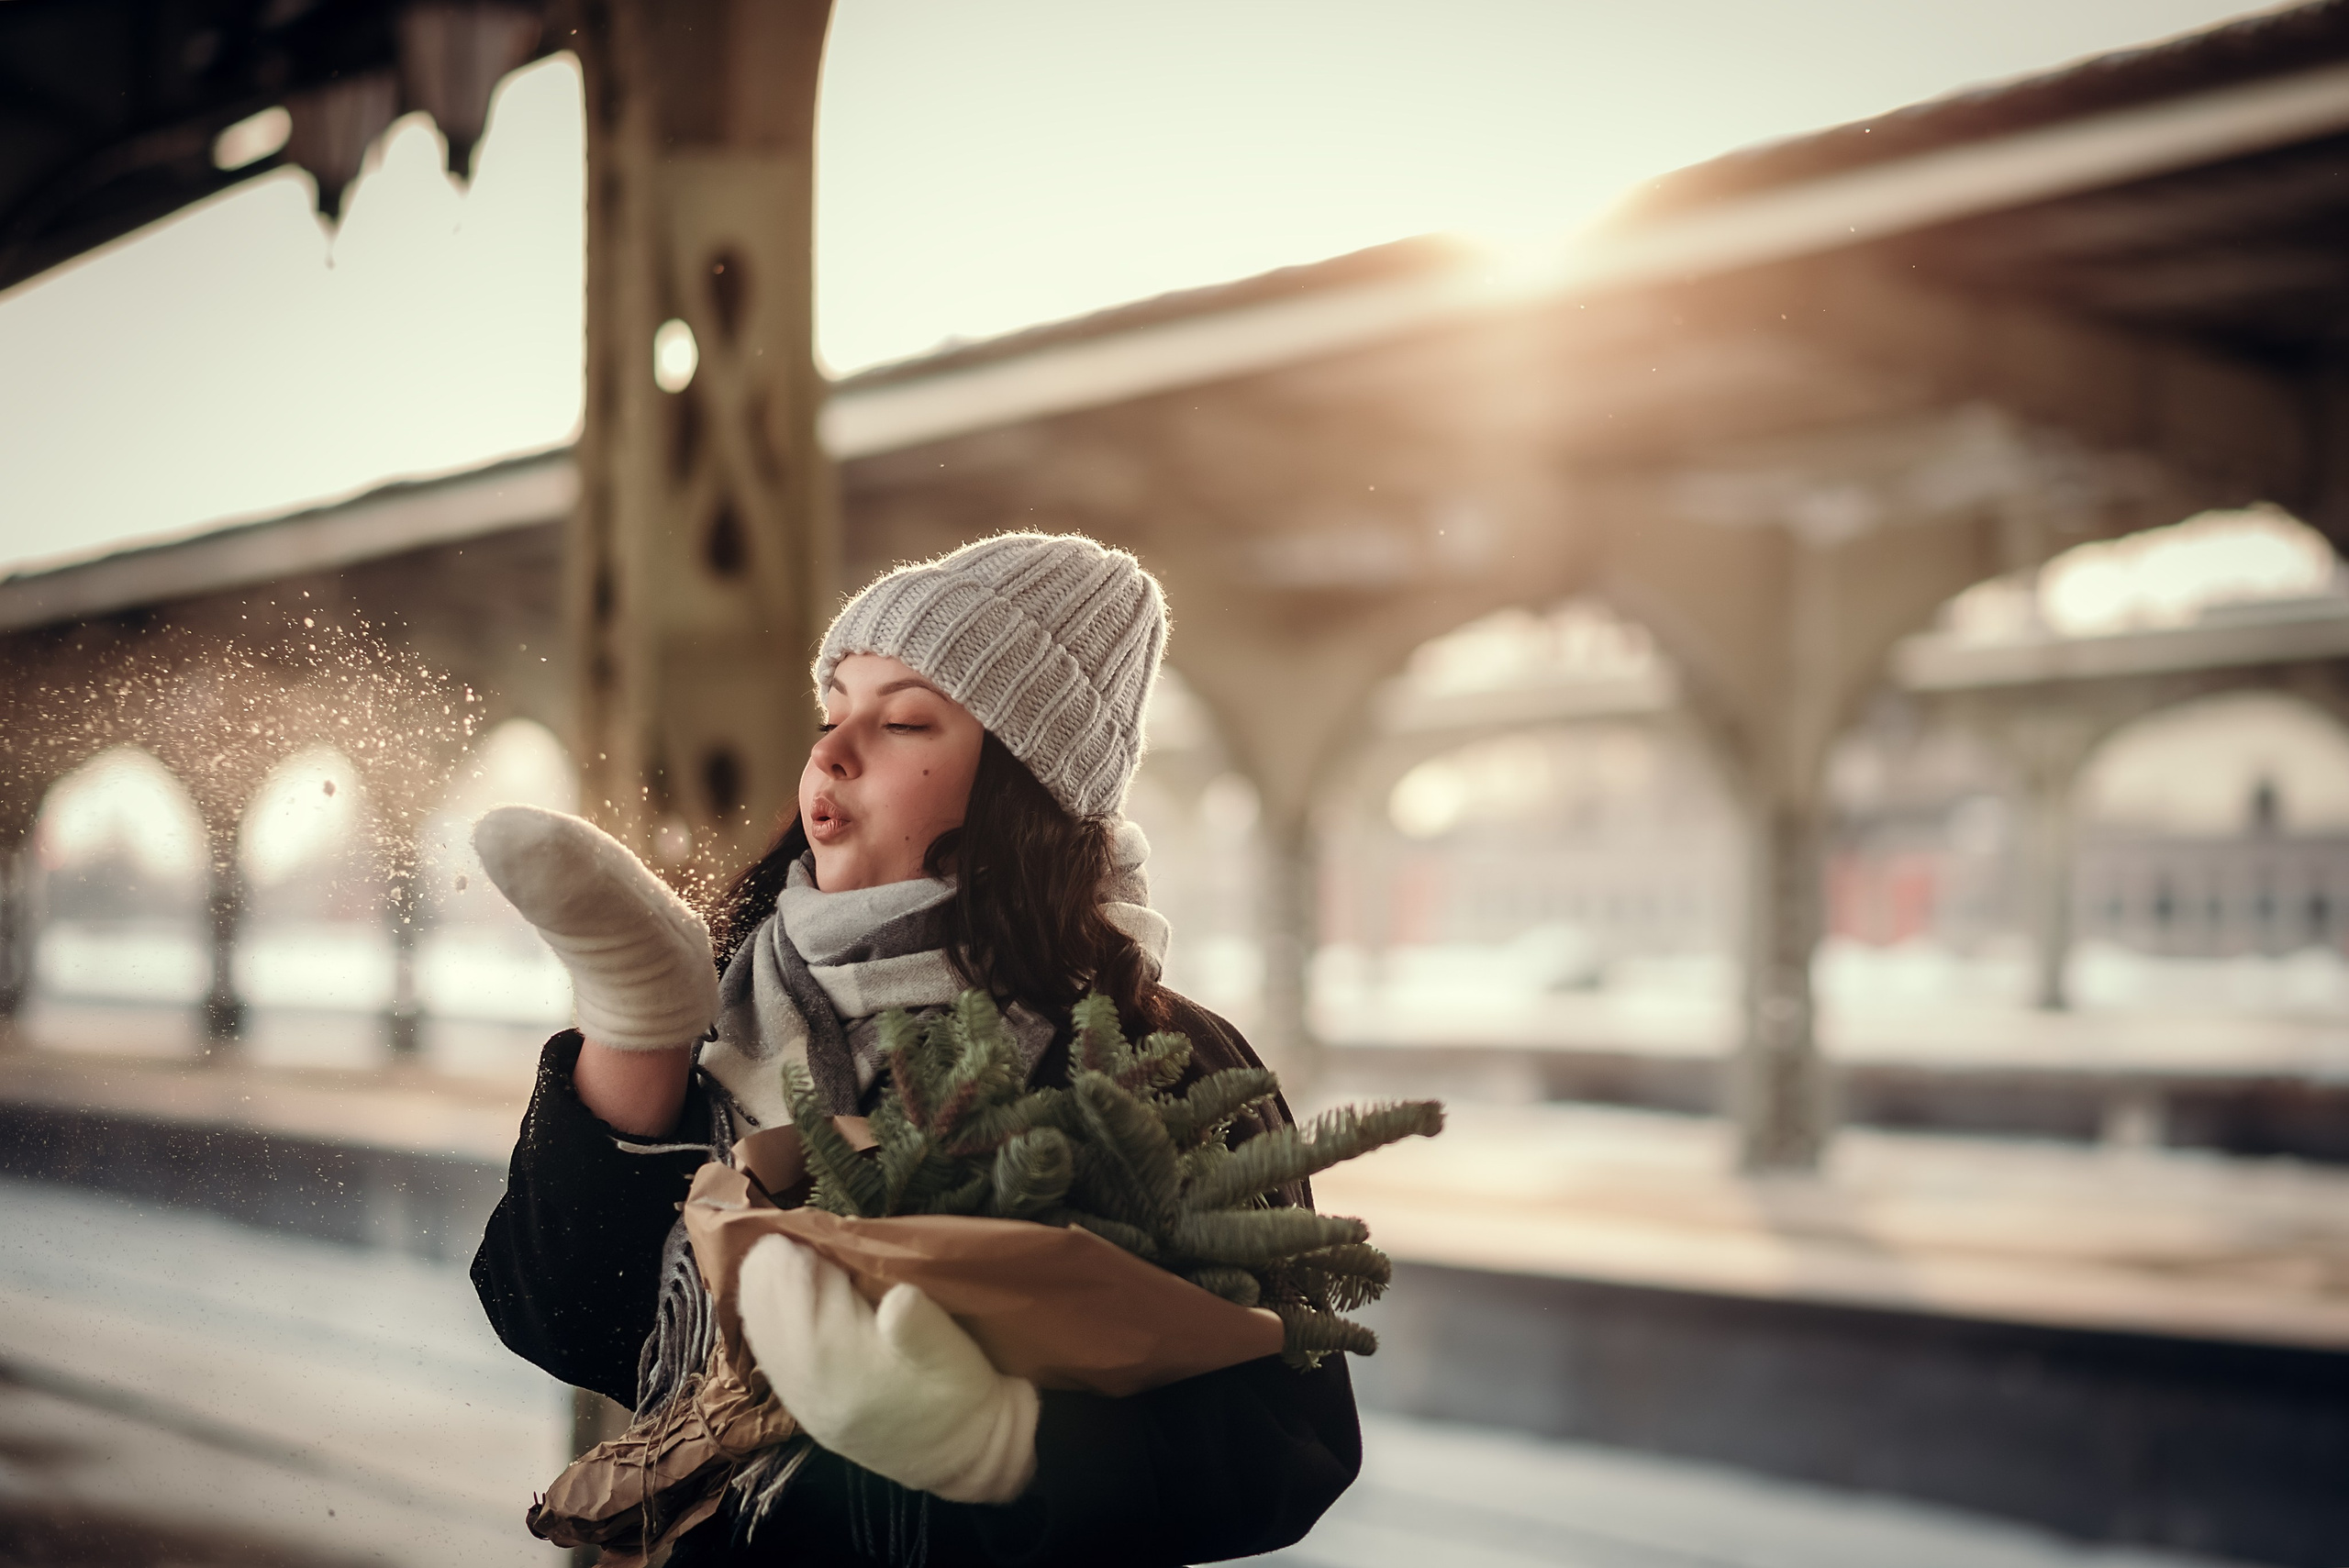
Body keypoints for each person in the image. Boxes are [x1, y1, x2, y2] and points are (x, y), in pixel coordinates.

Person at [469, 533, 1362, 1566]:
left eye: (899, 720)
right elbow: (557, 1314)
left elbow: (1291, 1441)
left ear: (1023, 786)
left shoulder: (1160, 1056)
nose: (831, 752)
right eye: (830, 710)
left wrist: (999, 1449)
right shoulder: (737, 1010)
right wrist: (639, 1039)